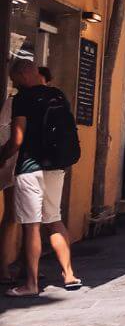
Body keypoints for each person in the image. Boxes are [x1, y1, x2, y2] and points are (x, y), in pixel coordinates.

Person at [0, 58, 81, 296]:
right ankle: (69, 274)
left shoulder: (23, 99)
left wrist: (2, 157)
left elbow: (17, 139)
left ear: (24, 75)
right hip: (55, 167)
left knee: (31, 225)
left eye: (15, 80)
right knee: (54, 219)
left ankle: (31, 284)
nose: (15, 84)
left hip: (30, 167)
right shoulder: (57, 94)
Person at [0, 83, 19, 286]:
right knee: (12, 216)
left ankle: (26, 266)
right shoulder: (15, 103)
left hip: (23, 168)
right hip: (16, 167)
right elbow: (8, 134)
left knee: (26, 219)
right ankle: (3, 268)